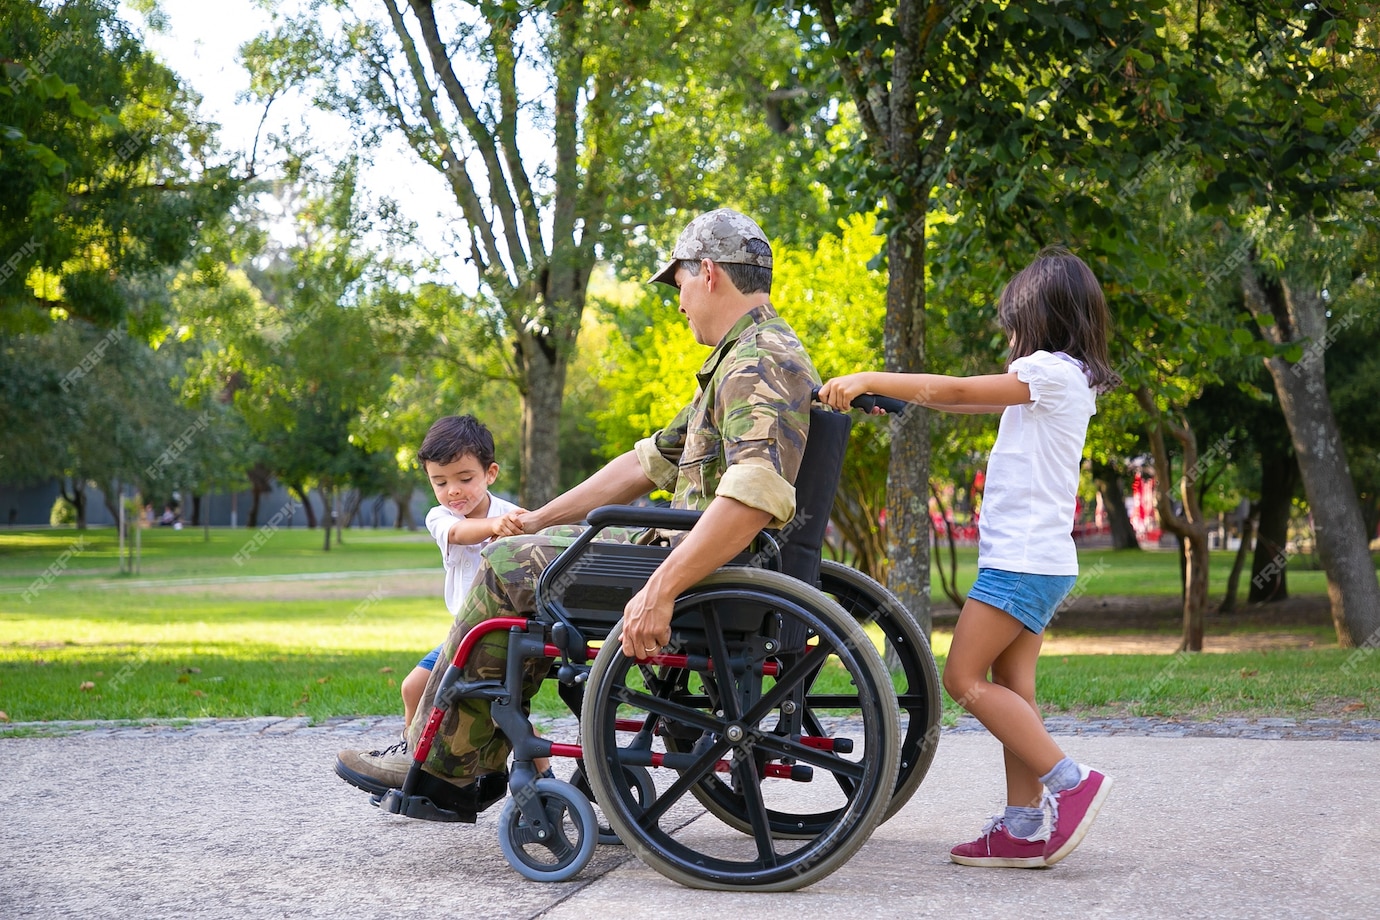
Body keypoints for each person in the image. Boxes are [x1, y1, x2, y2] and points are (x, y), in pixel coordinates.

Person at [334, 208, 819, 805]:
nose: (679, 301)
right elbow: (643, 465)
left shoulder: (758, 362)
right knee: (522, 547)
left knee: (509, 567)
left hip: (694, 566)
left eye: (680, 283)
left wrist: (660, 590)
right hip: (691, 553)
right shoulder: (746, 357)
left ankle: (447, 764)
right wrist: (539, 520)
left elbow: (753, 498)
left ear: (710, 273)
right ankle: (473, 750)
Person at [818, 245, 1120, 869]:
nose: (1008, 332)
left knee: (961, 679)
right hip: (1035, 559)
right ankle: (1021, 825)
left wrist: (871, 377)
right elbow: (957, 399)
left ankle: (1071, 784)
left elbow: (953, 387)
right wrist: (896, 397)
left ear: (1039, 316)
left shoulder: (1050, 372)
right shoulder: (1062, 381)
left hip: (1022, 562)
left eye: (1014, 317)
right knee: (1014, 686)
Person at [404, 415, 525, 729]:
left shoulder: (512, 517)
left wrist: (510, 527)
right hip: (462, 633)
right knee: (413, 688)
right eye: (440, 482)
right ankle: (410, 751)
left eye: (465, 479)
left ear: (491, 473)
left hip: (504, 632)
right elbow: (458, 533)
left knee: (499, 708)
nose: (453, 491)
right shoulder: (439, 517)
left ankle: (540, 769)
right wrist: (494, 527)